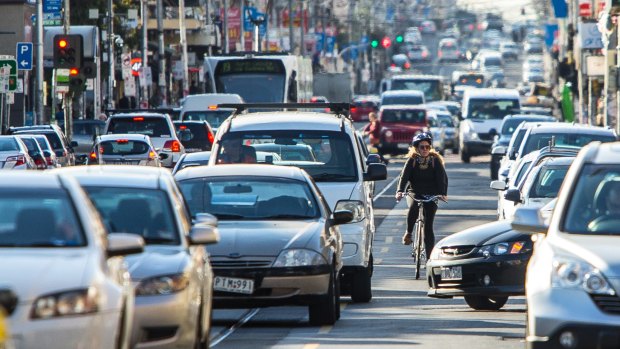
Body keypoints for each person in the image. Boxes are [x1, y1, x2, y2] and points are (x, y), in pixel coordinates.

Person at [395, 132, 448, 254]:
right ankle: (408, 233)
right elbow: (404, 177)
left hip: (432, 194)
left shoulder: (435, 160)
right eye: (422, 147)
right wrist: (399, 191)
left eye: (427, 147)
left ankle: (429, 259)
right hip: (415, 192)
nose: (425, 149)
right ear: (416, 148)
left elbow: (442, 178)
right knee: (413, 206)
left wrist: (442, 193)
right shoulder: (412, 160)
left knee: (428, 227)